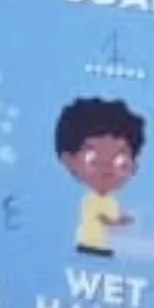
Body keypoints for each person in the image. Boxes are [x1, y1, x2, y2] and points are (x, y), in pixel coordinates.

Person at [55, 96, 145, 257]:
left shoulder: (111, 200)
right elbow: (105, 220)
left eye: (120, 162)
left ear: (134, 167)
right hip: (90, 246)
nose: (106, 169)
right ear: (69, 161)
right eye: (93, 161)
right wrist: (120, 222)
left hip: (105, 247)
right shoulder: (92, 201)